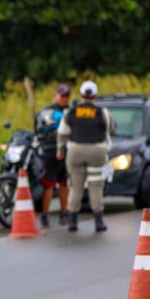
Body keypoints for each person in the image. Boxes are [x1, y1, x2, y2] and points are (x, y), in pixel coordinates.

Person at [56, 80, 115, 232]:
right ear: (95, 95)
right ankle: (99, 221)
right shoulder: (103, 112)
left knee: (76, 186)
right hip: (97, 151)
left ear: (81, 95)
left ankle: (73, 221)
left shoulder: (71, 111)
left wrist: (60, 149)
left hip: (76, 151)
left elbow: (62, 132)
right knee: (95, 186)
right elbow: (112, 129)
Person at [35, 84, 71, 227]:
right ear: (56, 96)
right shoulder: (46, 111)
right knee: (49, 184)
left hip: (66, 150)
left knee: (64, 183)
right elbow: (37, 129)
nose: (64, 98)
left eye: (67, 95)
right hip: (49, 151)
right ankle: (44, 215)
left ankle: (64, 213)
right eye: (62, 95)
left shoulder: (71, 110)